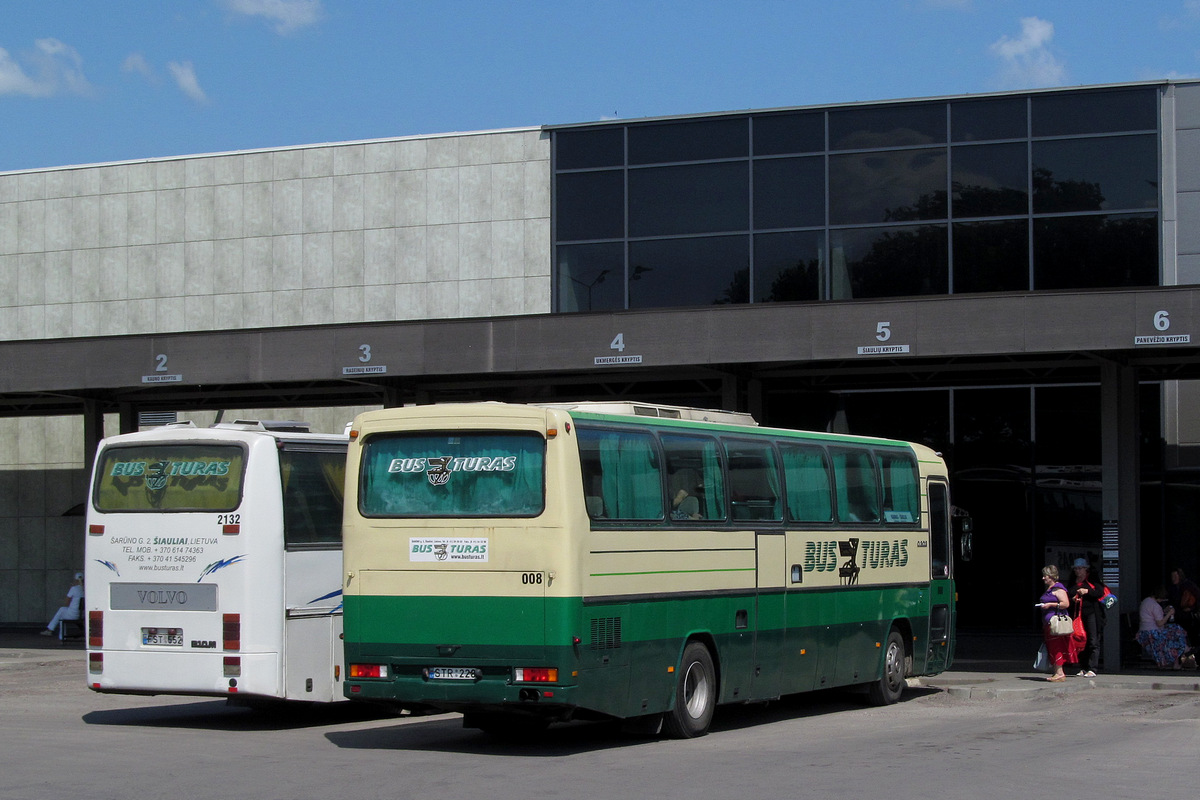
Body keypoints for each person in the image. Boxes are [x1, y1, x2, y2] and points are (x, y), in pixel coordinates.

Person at [1135, 586, 1192, 669]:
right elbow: (1160, 623)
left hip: (1143, 632)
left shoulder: (1146, 601)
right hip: (1153, 633)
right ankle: (1184, 649)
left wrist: (1164, 611)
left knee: (1174, 629)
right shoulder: (1155, 606)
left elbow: (1154, 616)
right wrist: (1169, 614)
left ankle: (1181, 653)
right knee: (1176, 632)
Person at [1067, 558, 1105, 677]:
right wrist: (1073, 598)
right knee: (1080, 639)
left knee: (1093, 640)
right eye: (1076, 569)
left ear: (1086, 569)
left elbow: (1099, 592)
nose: (1077, 571)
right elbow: (1069, 593)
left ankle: (1092, 668)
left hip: (1092, 613)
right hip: (1078, 614)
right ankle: (1083, 667)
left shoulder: (1093, 579)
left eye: (1080, 568)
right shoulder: (1073, 580)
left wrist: (1087, 591)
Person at [1036, 564, 1072, 682]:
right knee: (1052, 647)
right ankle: (1057, 672)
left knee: (1056, 646)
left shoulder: (1058, 589)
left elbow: (1065, 604)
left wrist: (1050, 605)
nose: (1043, 578)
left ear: (1051, 576)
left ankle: (1060, 672)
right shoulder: (1050, 589)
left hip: (1055, 623)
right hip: (1048, 622)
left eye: (1045, 576)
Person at [41, 572, 84, 637]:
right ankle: (58, 634)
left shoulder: (74, 589)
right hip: (82, 615)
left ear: (75, 580)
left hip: (73, 614)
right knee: (61, 614)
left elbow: (67, 602)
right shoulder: (86, 589)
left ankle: (52, 631)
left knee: (61, 610)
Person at [1167, 567, 1200, 647]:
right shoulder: (1173, 589)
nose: (1173, 579)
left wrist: (1193, 609)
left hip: (1188, 617)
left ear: (1180, 576)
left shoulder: (1189, 585)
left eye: (1175, 576)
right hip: (1178, 617)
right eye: (1172, 576)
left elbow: (1198, 597)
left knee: (1191, 638)